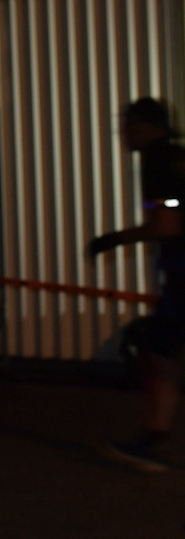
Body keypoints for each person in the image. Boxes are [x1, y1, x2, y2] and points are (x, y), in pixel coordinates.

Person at [91, 97, 185, 472]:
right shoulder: (176, 156)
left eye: (128, 124)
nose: (123, 133)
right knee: (161, 351)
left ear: (147, 126)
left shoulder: (159, 162)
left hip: (183, 274)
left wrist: (114, 239)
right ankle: (155, 437)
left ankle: (156, 441)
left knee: (161, 354)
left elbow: (167, 225)